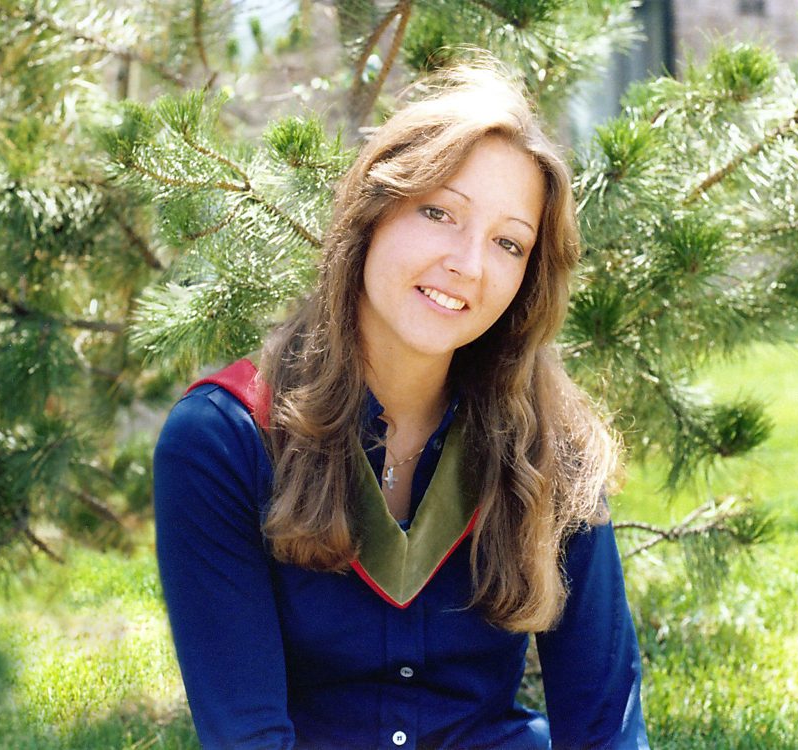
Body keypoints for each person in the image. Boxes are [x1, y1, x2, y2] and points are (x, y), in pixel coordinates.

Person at [154, 62, 649, 750]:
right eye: (439, 212)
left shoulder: (551, 443)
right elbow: (248, 737)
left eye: (509, 243)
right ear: (372, 210)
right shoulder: (225, 440)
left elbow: (604, 727)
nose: (469, 265)